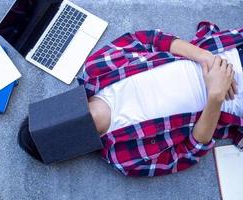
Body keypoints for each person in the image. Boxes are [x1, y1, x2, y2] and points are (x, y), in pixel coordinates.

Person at [18, 21, 243, 176]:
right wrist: (215, 96)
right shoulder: (124, 159)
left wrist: (206, 58)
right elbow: (191, 150)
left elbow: (148, 39)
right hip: (235, 103)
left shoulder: (95, 71)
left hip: (226, 51)